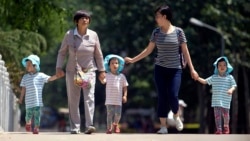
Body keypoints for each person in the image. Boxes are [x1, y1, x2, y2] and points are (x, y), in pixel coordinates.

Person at [124, 5, 199, 134]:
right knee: (162, 96)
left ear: (165, 17)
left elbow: (185, 52)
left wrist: (192, 70)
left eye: (157, 16)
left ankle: (176, 115)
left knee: (173, 94)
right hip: (160, 69)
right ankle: (163, 126)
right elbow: (148, 50)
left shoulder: (179, 32)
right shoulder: (156, 32)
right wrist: (133, 60)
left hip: (175, 69)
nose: (156, 19)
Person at [55, 10, 105, 134]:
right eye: (82, 18)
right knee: (73, 100)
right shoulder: (69, 35)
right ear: (76, 21)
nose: (85, 20)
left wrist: (102, 70)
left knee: (89, 98)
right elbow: (62, 53)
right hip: (72, 71)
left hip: (89, 71)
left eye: (87, 18)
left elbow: (98, 55)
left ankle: (89, 125)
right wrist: (58, 67)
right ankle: (75, 127)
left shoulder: (93, 35)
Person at [18, 54, 63, 134]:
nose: (27, 66)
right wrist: (21, 98)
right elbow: (23, 89)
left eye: (29, 65)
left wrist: (57, 76)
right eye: (26, 65)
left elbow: (49, 79)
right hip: (28, 102)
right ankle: (28, 123)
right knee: (28, 116)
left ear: (35, 66)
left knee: (37, 116)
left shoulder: (41, 75)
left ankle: (36, 128)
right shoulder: (25, 77)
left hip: (37, 101)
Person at [196, 56, 237, 134]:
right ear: (217, 67)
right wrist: (197, 78)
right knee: (217, 116)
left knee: (226, 116)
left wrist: (231, 90)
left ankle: (226, 127)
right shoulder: (214, 77)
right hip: (216, 101)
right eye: (220, 65)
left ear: (227, 67)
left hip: (225, 100)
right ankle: (219, 129)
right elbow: (205, 81)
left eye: (224, 65)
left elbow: (234, 85)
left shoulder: (230, 77)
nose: (222, 67)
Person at [100, 54, 128, 134]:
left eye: (116, 63)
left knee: (118, 114)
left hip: (118, 99)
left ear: (119, 65)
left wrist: (125, 95)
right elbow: (103, 82)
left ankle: (115, 124)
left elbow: (125, 87)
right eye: (112, 63)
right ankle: (109, 128)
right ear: (109, 65)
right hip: (109, 99)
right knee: (109, 114)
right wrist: (101, 79)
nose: (114, 65)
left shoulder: (122, 76)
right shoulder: (107, 75)